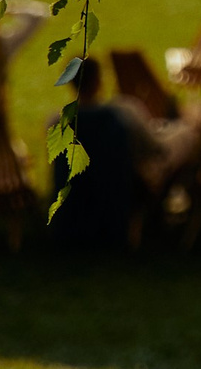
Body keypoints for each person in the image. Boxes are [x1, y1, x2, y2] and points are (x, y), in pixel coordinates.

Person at [48, 58, 139, 248]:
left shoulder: (56, 124)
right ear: (99, 80)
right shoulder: (122, 115)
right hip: (112, 220)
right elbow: (154, 149)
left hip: (71, 223)